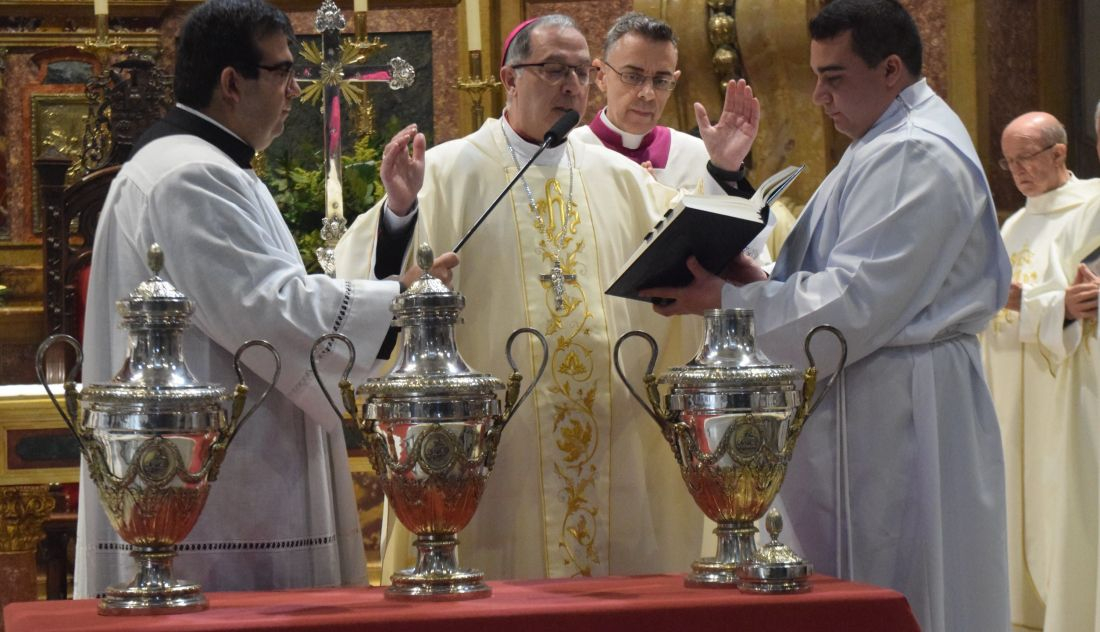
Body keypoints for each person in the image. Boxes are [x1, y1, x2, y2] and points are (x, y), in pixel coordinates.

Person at [335, 14, 758, 580]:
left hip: (613, 437)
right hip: (498, 449)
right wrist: (400, 212)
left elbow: (695, 248)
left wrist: (725, 172)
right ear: (510, 79)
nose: (572, 86)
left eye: (582, 72)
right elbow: (368, 280)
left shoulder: (620, 177)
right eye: (555, 69)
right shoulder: (448, 170)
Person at [639, 1, 1011, 630]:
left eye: (834, 78)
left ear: (891, 69)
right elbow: (860, 282)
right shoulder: (886, 142)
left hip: (904, 408)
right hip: (880, 389)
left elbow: (857, 302)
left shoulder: (915, 153)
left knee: (904, 577)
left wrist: (730, 301)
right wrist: (758, 279)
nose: (817, 96)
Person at [75, 0, 457, 598]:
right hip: (221, 493)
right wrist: (399, 300)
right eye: (282, 72)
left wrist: (392, 249)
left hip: (224, 470)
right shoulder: (189, 177)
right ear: (231, 82)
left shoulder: (207, 166)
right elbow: (265, 308)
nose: (295, 90)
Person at [981, 111, 1100, 632]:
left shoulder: (1094, 206)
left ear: (1060, 154)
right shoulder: (1014, 223)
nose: (1018, 172)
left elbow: (1084, 302)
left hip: (1069, 386)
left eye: (1026, 158)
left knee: (1067, 498)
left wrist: (1032, 304)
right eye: (1008, 163)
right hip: (1014, 384)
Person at [574, 12, 775, 262]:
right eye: (633, 77)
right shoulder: (569, 154)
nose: (647, 93)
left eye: (661, 80)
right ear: (601, 76)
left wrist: (727, 171)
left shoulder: (702, 157)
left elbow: (752, 259)